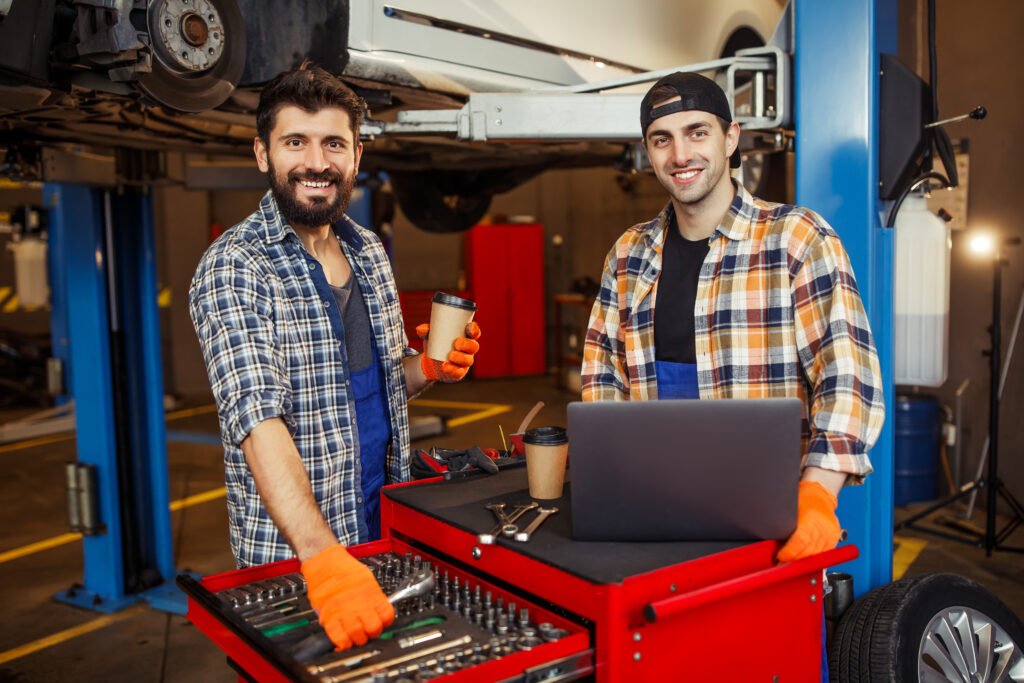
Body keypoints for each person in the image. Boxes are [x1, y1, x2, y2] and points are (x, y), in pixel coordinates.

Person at [188, 62, 480, 652]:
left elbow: (383, 382)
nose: (317, 162)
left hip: (385, 531)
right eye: (295, 141)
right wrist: (321, 559)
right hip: (298, 559)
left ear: (355, 155)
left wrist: (428, 367)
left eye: (333, 143)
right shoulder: (236, 267)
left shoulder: (367, 248)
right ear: (262, 154)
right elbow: (256, 419)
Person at [581, 72, 885, 563]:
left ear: (731, 137)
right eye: (663, 139)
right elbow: (602, 374)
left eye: (697, 132)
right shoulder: (628, 254)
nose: (680, 155)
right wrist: (612, 477)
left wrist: (818, 494)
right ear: (648, 151)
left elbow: (847, 374)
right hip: (654, 511)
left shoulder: (796, 239)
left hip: (770, 517)